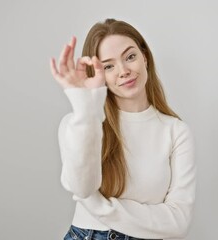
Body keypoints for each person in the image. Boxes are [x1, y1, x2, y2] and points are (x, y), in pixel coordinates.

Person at [50, 18, 196, 240]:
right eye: (108, 66)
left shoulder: (175, 131)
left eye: (130, 57)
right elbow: (81, 187)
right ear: (98, 74)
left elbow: (178, 222)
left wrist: (100, 207)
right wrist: (85, 105)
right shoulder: (79, 122)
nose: (124, 71)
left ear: (144, 58)